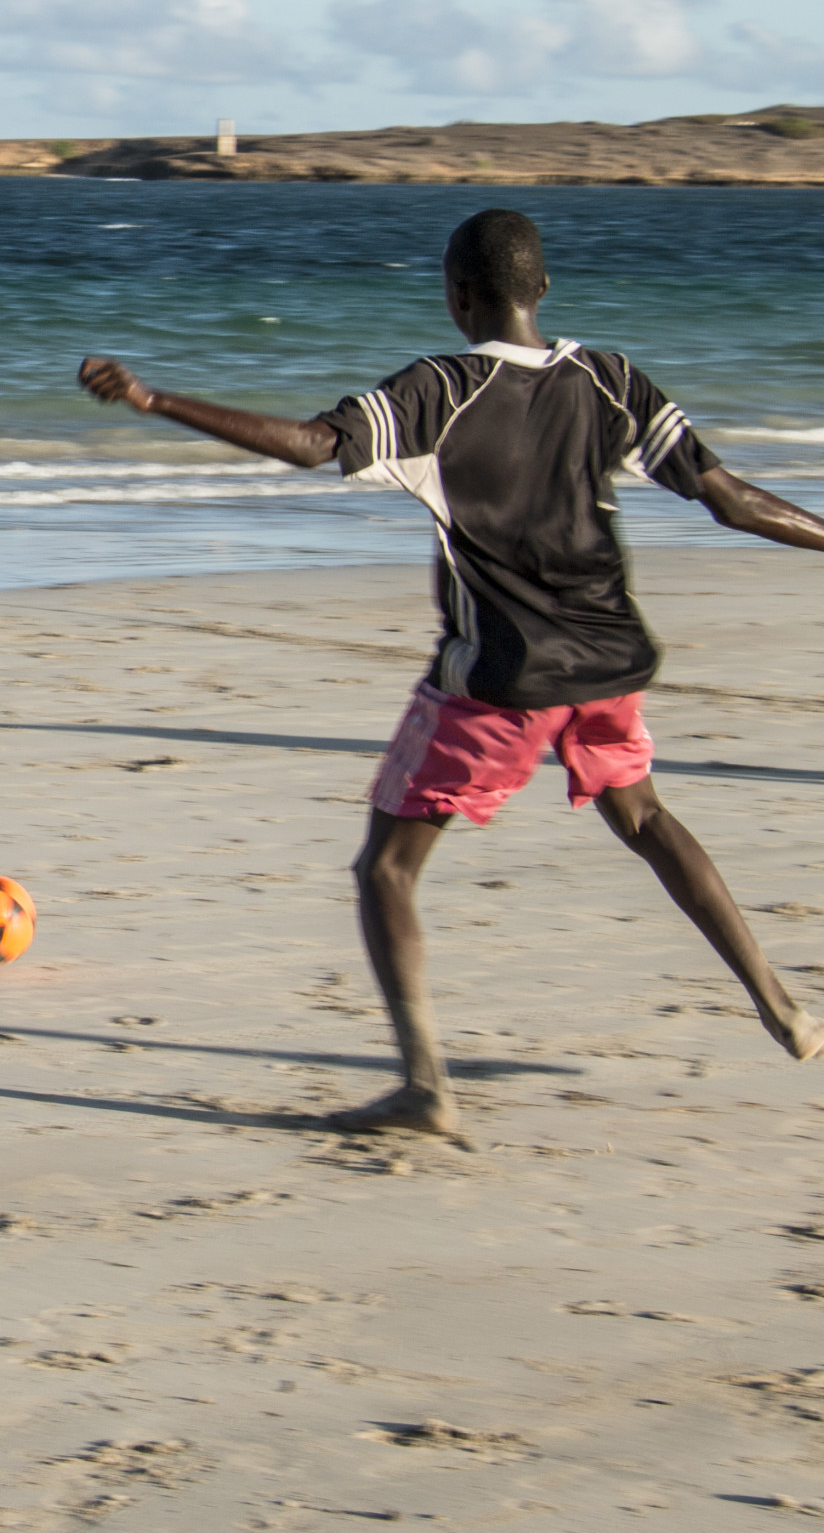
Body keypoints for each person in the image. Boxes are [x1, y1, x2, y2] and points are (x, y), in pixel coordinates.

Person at [80, 208, 824, 1136]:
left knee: (386, 871)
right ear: (541, 288)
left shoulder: (440, 391)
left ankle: (426, 1087)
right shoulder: (612, 378)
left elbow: (313, 445)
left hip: (501, 684)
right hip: (609, 665)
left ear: (457, 297)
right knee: (645, 819)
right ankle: (781, 1006)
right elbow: (729, 500)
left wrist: (153, 399)